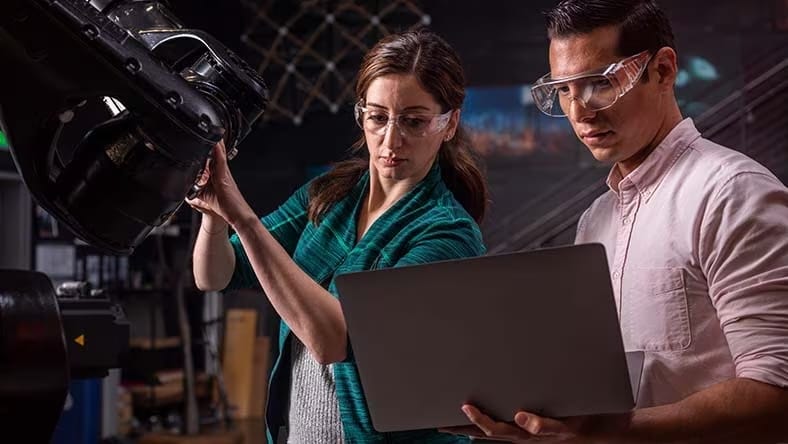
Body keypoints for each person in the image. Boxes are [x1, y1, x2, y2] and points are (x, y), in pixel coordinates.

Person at [444, 1, 788, 443]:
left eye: (599, 84)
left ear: (663, 71)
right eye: (563, 90)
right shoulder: (595, 221)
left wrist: (609, 432)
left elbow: (778, 396)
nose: (578, 112)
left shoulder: (733, 193)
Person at [188, 28, 488, 443]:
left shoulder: (448, 235)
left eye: (414, 122)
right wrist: (214, 212)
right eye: (378, 117)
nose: (390, 140)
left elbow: (335, 340)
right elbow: (216, 275)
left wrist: (242, 215)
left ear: (449, 123)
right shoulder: (330, 197)